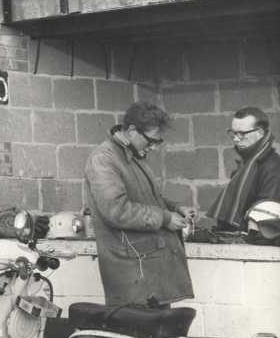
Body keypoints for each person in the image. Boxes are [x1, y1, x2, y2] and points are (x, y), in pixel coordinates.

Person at [84, 102, 195, 308]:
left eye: (158, 142)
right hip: (131, 273)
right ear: (133, 130)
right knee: (137, 336)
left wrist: (175, 208)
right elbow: (117, 210)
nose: (153, 147)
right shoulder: (104, 159)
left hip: (149, 272)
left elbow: (147, 200)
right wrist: (165, 218)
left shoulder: (134, 155)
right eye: (151, 141)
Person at [207, 107, 280, 230]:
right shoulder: (246, 163)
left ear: (260, 133)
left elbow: (264, 212)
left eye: (242, 134)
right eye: (233, 133)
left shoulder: (273, 166)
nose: (236, 139)